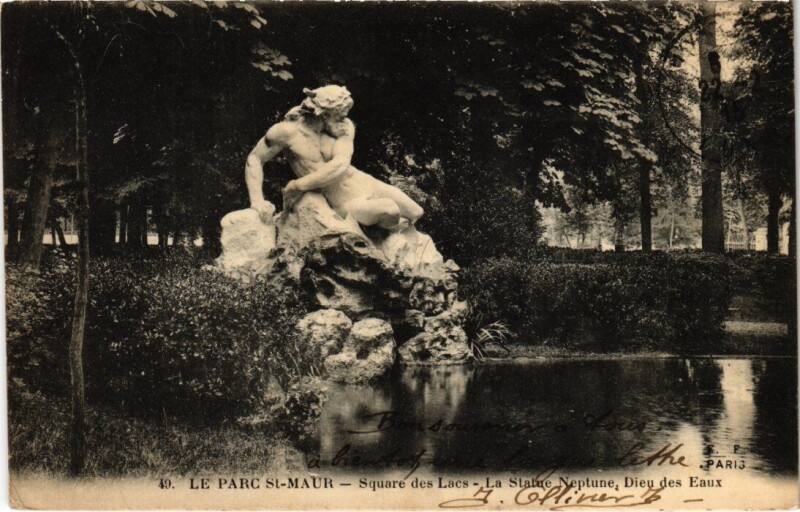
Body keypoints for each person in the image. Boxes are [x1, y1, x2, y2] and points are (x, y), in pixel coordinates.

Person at [245, 85, 424, 230]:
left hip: (366, 183)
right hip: (344, 201)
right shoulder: (287, 132)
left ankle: (387, 230)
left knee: (416, 211)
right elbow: (254, 159)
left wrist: (298, 185)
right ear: (324, 113)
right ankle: (383, 229)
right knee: (390, 209)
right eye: (340, 113)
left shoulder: (343, 127)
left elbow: (340, 166)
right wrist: (257, 200)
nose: (345, 118)